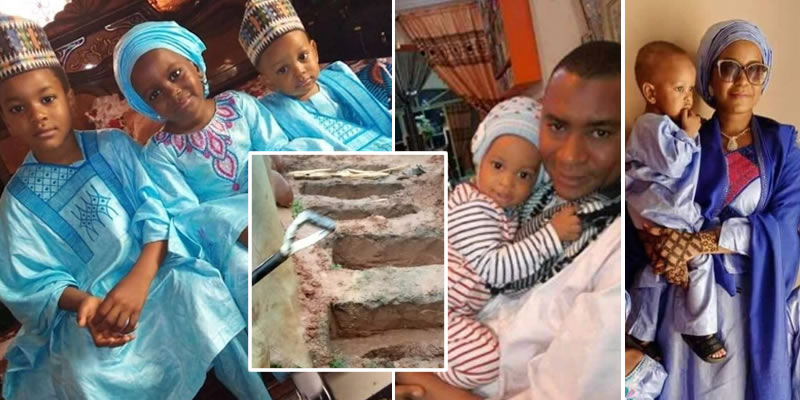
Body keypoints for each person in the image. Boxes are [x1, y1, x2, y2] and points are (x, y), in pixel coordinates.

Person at [0, 14, 269, 399]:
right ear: (5, 120)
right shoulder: (16, 204)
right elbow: (31, 283)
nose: (37, 115)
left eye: (47, 99)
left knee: (200, 291)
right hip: (90, 307)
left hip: (157, 267)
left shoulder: (114, 146)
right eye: (17, 109)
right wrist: (86, 305)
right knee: (83, 373)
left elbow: (156, 212)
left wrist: (139, 279)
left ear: (69, 98)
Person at [398, 40, 622, 399]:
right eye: (557, 125)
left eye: (600, 132)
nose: (569, 156)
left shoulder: (615, 250)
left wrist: (425, 382)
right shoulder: (540, 195)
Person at [628, 20, 800, 399]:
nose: (743, 81)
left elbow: (784, 229)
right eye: (729, 68)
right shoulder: (682, 137)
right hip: (680, 293)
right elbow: (645, 195)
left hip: (749, 303)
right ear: (708, 74)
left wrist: (697, 243)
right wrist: (659, 246)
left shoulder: (782, 146)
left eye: (755, 70)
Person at [112, 21, 319, 317]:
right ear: (147, 106)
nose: (172, 91)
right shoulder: (159, 153)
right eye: (155, 94)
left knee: (298, 206)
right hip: (226, 232)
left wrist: (269, 173)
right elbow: (186, 213)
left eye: (175, 74)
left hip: (264, 186)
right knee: (245, 271)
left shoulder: (239, 105)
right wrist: (237, 225)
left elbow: (275, 144)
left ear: (196, 67)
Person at [443, 96, 580, 389]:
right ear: (479, 162)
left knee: (485, 356)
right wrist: (552, 235)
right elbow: (494, 269)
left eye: (523, 175)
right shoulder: (472, 207)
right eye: (498, 165)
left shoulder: (503, 207)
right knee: (484, 362)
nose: (507, 182)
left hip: (455, 309)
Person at [626, 41, 727, 362]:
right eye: (679, 88)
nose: (688, 98)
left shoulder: (663, 126)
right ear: (651, 92)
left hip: (664, 210)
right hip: (663, 212)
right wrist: (690, 134)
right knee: (700, 259)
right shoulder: (649, 125)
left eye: (691, 89)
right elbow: (673, 164)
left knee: (656, 272)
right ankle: (699, 328)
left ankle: (640, 332)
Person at [238, 0, 392, 151]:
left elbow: (375, 115)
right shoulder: (272, 114)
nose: (299, 71)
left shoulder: (339, 76)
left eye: (303, 57)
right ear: (268, 81)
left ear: (314, 51)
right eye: (283, 70)